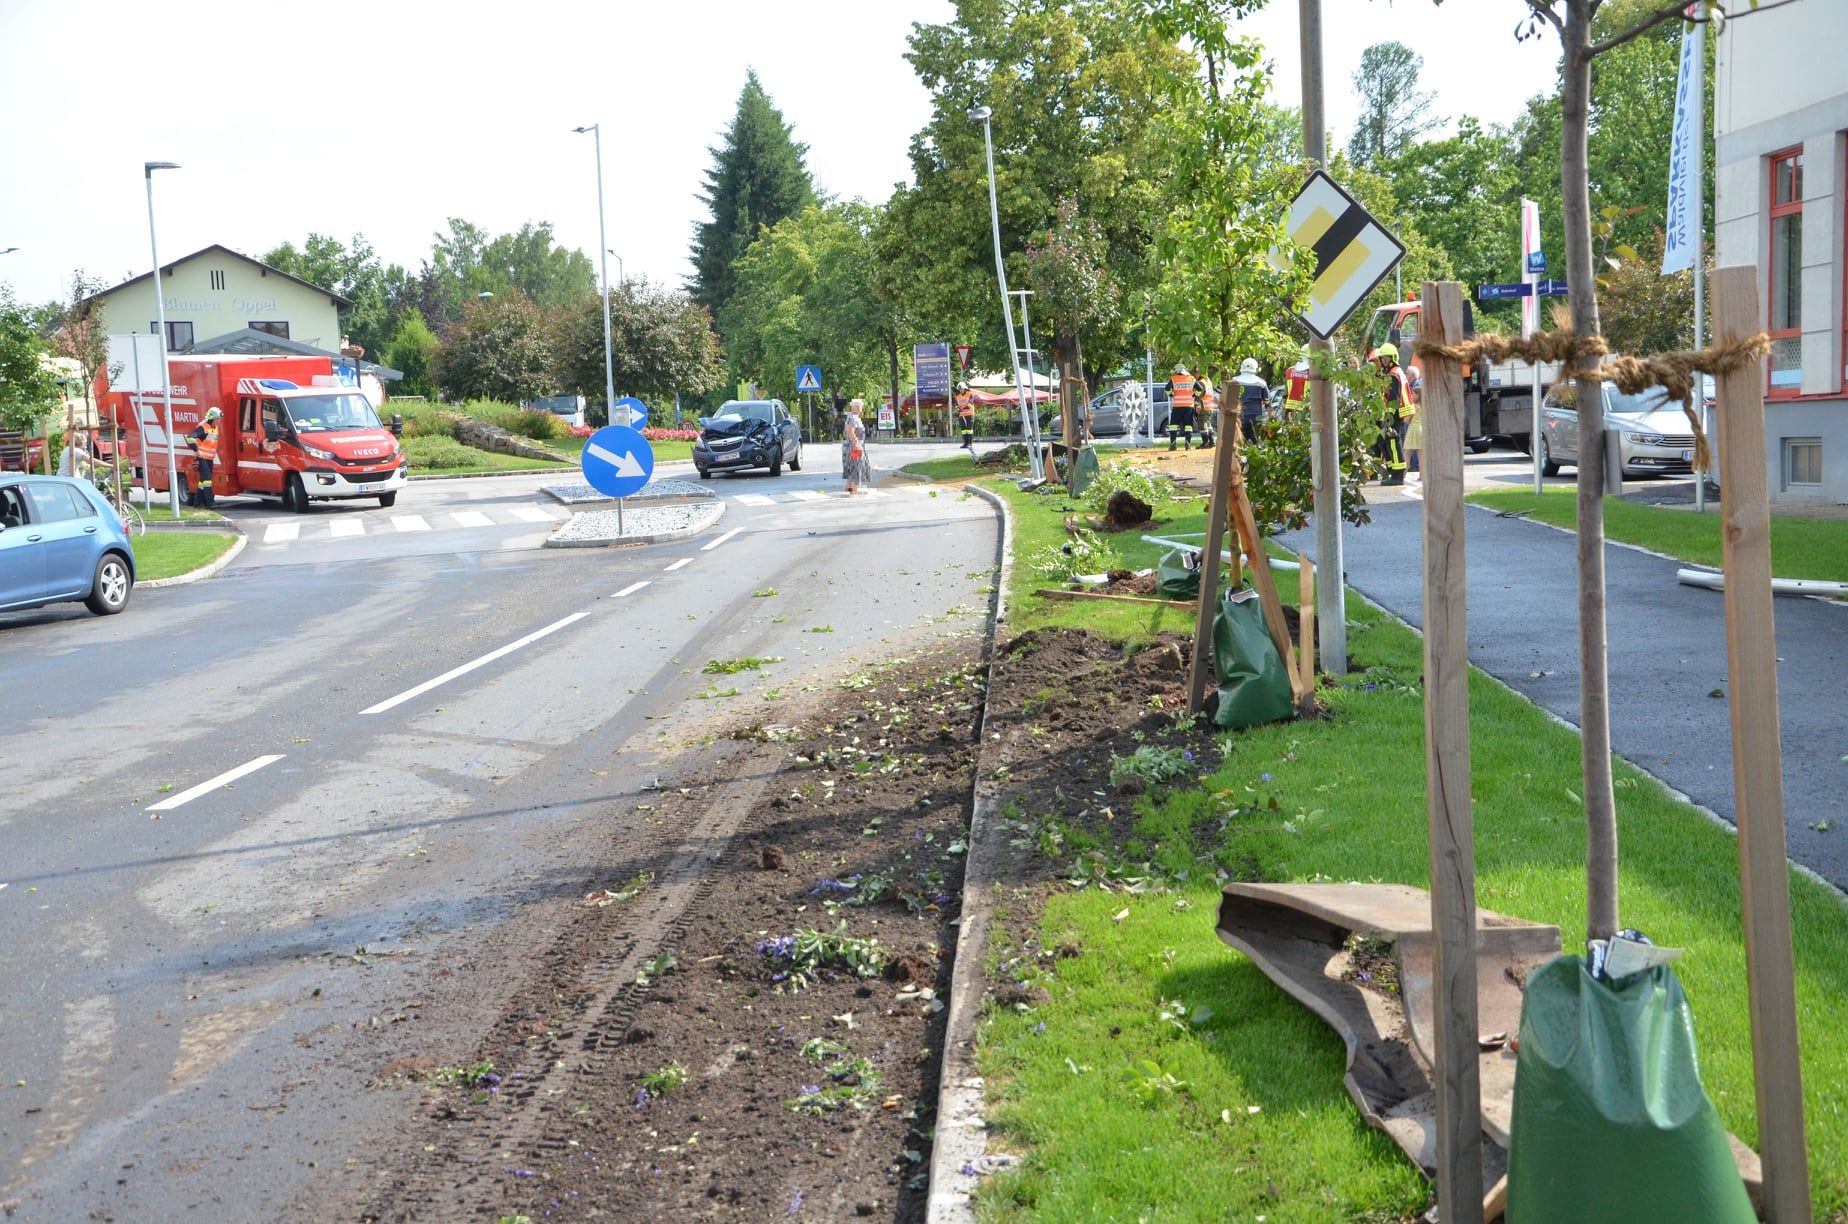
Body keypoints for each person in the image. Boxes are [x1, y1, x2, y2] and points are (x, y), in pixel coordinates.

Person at [1368, 343, 1410, 486]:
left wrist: (1389, 415)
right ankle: (1392, 470)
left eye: (1387, 357)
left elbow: (1393, 396)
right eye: (1382, 357)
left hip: (1394, 413)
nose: (1384, 360)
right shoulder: (1390, 372)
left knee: (1392, 441)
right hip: (1390, 412)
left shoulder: (1393, 373)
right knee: (1384, 441)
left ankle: (1398, 475)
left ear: (1393, 357)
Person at [187, 406, 222, 507]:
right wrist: (197, 450)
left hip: (209, 459)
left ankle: (197, 504)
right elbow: (190, 438)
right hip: (202, 458)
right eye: (218, 419)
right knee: (207, 480)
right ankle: (210, 503)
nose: (219, 421)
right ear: (212, 418)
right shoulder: (203, 427)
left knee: (203, 481)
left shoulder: (215, 428)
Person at [1233, 357, 1268, 442]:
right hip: (1256, 417)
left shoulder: (1234, 381)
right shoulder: (1261, 383)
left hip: (1240, 417)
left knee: (1240, 443)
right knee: (1256, 443)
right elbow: (1267, 401)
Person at [841, 399, 873, 495]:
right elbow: (850, 430)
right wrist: (856, 444)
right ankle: (855, 489)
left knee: (852, 466)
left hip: (853, 445)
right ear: (852, 407)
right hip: (854, 446)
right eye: (857, 406)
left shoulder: (853, 417)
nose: (859, 408)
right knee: (856, 465)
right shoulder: (852, 417)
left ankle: (849, 486)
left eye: (860, 406)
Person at [1163, 364, 1197, 451]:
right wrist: (1194, 395)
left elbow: (1167, 389)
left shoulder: (1174, 378)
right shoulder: (1191, 378)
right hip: (1189, 406)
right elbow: (1200, 389)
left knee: (1173, 426)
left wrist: (1171, 395)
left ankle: (1173, 445)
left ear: (1177, 370)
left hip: (1177, 406)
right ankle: (1188, 445)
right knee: (1188, 426)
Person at [1404, 363, 1424, 482]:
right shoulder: (1423, 406)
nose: (1411, 395)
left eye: (1413, 394)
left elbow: (1407, 420)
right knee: (1421, 453)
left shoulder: (1413, 406)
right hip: (1422, 429)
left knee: (1407, 452)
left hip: (1413, 429)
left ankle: (1403, 474)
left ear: (1417, 395)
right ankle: (1422, 475)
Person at [955, 381, 975, 450]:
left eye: (961, 389)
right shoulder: (958, 397)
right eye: (959, 389)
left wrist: (962, 409)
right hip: (962, 415)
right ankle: (965, 443)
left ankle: (970, 443)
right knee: (963, 430)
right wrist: (958, 409)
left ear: (964, 388)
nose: (960, 390)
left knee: (969, 429)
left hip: (969, 414)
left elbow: (970, 404)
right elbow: (957, 405)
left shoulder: (970, 394)